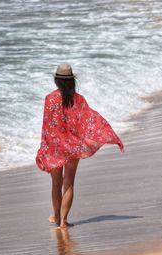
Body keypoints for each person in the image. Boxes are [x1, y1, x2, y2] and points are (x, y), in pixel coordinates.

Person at [36, 63, 124, 228]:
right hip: (73, 147)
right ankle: (63, 222)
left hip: (55, 147)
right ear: (72, 80)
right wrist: (104, 133)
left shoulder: (49, 99)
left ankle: (56, 215)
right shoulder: (79, 100)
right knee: (69, 183)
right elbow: (88, 120)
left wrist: (44, 148)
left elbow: (46, 126)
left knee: (56, 183)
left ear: (56, 80)